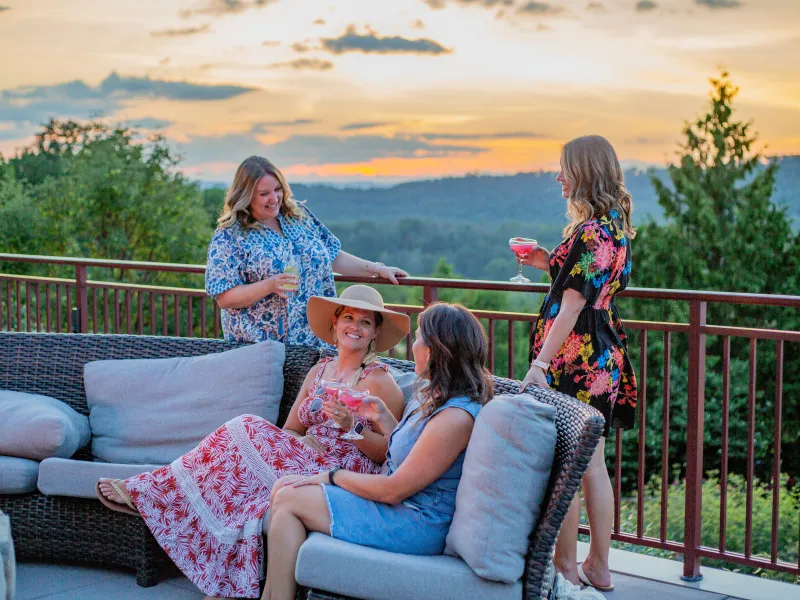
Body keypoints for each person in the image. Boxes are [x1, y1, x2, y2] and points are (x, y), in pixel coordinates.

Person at [96, 285, 410, 599]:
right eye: (349, 317)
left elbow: (391, 453)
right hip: (304, 456)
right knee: (243, 467)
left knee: (244, 426)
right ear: (335, 323)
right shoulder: (320, 370)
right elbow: (291, 429)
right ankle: (225, 575)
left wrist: (351, 428)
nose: (355, 326)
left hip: (342, 471)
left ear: (374, 333)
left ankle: (157, 491)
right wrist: (286, 448)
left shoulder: (380, 380)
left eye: (365, 322)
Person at [261, 302, 493, 600]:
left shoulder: (455, 417)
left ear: (434, 351)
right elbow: (406, 452)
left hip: (414, 521)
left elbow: (394, 489)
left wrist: (330, 476)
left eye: (420, 337)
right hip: (397, 508)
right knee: (285, 492)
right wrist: (380, 417)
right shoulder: (435, 397)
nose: (414, 345)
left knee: (289, 498)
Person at [517, 135, 638, 592]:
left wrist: (540, 365)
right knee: (593, 464)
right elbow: (590, 288)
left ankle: (565, 568)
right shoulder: (615, 228)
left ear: (584, 173)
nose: (558, 177)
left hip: (575, 357)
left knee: (568, 459)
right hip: (604, 355)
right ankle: (599, 566)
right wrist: (548, 261)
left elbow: (570, 308)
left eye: (564, 169)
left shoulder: (589, 233)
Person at [205, 155, 408, 347]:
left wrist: (378, 269)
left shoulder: (298, 216)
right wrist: (269, 285)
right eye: (264, 194)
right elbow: (224, 297)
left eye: (277, 189)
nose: (274, 198)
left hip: (316, 341)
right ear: (246, 196)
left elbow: (332, 256)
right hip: (262, 347)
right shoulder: (230, 235)